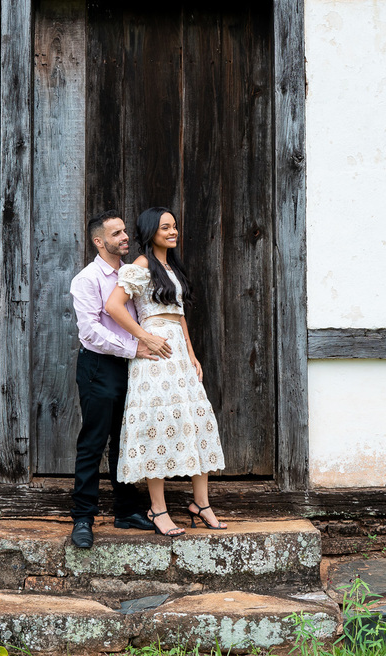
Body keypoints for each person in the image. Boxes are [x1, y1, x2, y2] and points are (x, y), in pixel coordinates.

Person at [103, 207, 227, 538]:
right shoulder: (141, 265)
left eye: (174, 227)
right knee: (157, 427)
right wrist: (144, 337)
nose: (172, 232)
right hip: (155, 356)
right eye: (165, 228)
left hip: (179, 357)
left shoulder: (171, 267)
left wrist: (192, 353)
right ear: (150, 233)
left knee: (195, 420)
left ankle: (201, 504)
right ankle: (157, 509)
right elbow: (113, 307)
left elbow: (179, 315)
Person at [68, 210, 173, 549]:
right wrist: (134, 346)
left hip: (132, 366)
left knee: (125, 438)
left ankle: (126, 510)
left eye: (125, 231)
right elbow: (90, 331)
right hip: (100, 366)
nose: (125, 237)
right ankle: (83, 518)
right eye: (116, 234)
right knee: (94, 442)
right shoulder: (87, 279)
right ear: (99, 242)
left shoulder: (133, 272)